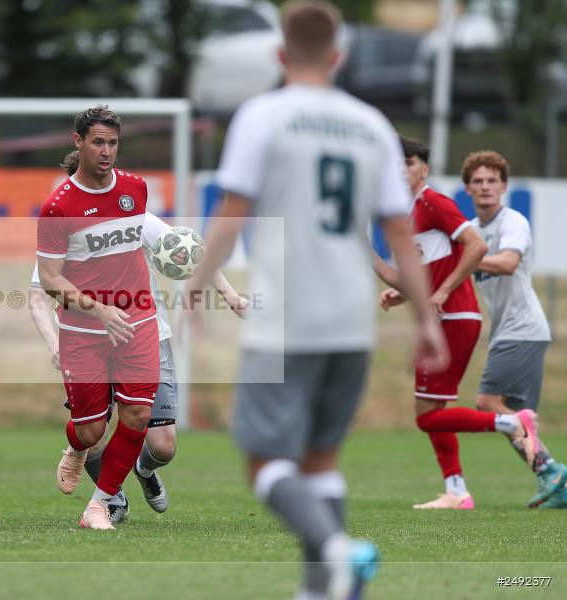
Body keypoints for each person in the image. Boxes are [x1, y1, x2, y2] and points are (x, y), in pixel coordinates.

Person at [184, 3, 449, 598]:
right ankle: (322, 589)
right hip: (351, 319)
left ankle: (335, 550)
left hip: (286, 315)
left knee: (264, 461)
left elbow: (232, 212)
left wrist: (196, 285)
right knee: (321, 462)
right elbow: (398, 230)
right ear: (339, 56)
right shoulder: (370, 124)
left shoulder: (263, 116)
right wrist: (425, 318)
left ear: (280, 54)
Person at [31, 150, 247, 522]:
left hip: (147, 334)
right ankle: (108, 500)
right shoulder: (63, 224)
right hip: (87, 340)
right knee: (92, 433)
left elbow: (188, 252)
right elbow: (38, 294)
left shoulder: (134, 216)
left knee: (162, 445)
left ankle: (144, 470)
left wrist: (230, 296)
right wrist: (54, 343)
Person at [376, 138, 540, 510]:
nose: (400, 169)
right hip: (444, 316)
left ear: (424, 169)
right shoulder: (410, 213)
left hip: (453, 317)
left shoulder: (433, 202)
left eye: (409, 162)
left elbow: (476, 246)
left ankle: (510, 423)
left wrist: (442, 292)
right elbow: (415, 277)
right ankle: (456, 490)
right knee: (430, 411)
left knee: (427, 417)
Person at [36, 105, 164, 530]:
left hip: (138, 321)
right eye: (98, 142)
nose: (106, 151)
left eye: (113, 143)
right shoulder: (58, 207)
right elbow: (50, 279)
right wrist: (100, 309)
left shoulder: (135, 188)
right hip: (83, 330)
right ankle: (76, 447)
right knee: (91, 432)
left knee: (138, 416)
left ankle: (99, 505)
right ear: (79, 142)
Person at [463, 150, 567, 509]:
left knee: (487, 403)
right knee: (515, 422)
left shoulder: (513, 222)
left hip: (522, 328)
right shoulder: (470, 232)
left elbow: (507, 263)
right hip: (511, 332)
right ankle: (557, 485)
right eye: (478, 181)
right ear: (467, 189)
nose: (485, 187)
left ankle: (553, 470)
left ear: (504, 186)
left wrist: (467, 259)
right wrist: (403, 293)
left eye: (492, 180)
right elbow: (447, 272)